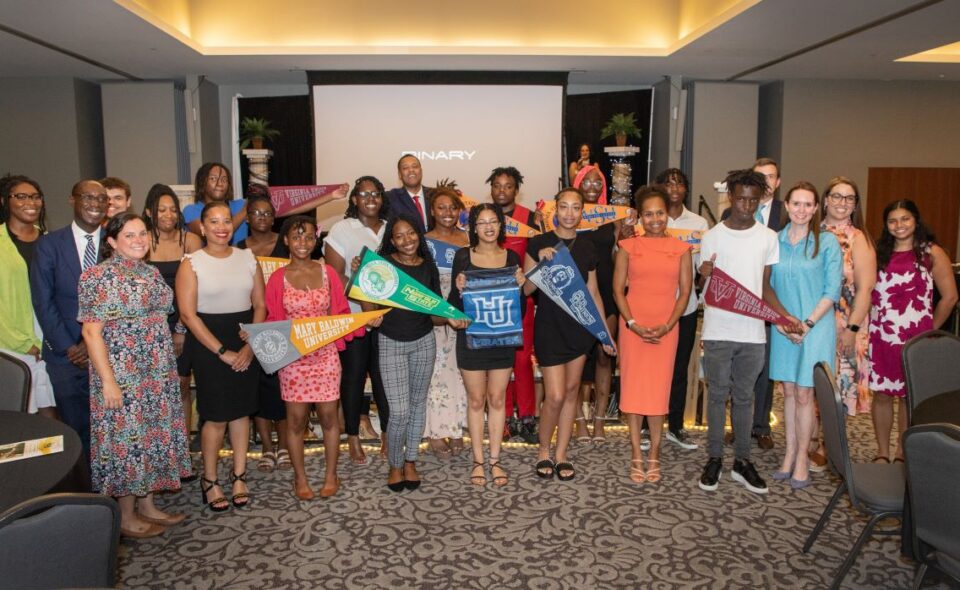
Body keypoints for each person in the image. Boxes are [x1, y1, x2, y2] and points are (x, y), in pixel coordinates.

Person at [80, 212, 190, 538]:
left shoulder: (151, 273)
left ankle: (148, 505)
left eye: (142, 233)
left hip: (155, 372)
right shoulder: (97, 277)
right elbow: (90, 333)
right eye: (129, 235)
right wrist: (109, 382)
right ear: (112, 241)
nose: (139, 240)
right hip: (122, 374)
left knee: (151, 438)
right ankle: (125, 516)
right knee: (128, 443)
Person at [697, 169, 801, 495]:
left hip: (753, 334)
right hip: (717, 329)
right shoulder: (711, 236)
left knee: (745, 398)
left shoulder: (769, 238)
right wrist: (703, 274)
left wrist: (783, 317)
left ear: (761, 200)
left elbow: (765, 287)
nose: (746, 205)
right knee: (717, 396)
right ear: (731, 197)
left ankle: (742, 461)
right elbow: (705, 289)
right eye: (740, 198)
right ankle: (714, 457)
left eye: (753, 200)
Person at [264, 216, 363, 500]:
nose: (303, 243)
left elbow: (342, 313)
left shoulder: (328, 273)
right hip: (293, 360)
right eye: (296, 238)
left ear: (315, 240)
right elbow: (273, 320)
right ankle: (300, 478)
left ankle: (332, 475)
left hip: (326, 356)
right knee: (295, 421)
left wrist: (367, 320)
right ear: (286, 241)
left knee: (330, 418)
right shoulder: (277, 279)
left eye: (308, 237)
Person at [176, 201, 265, 512]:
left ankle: (239, 474)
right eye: (213, 221)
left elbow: (260, 306)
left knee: (241, 412)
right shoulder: (191, 263)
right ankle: (210, 479)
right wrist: (222, 351)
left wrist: (250, 344)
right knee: (214, 417)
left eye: (226, 220)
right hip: (207, 345)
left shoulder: (248, 258)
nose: (221, 226)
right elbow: (188, 315)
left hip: (244, 338)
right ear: (202, 227)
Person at [524, 188, 614, 481]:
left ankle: (561, 454)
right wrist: (541, 264)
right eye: (564, 207)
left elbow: (593, 293)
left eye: (576, 208)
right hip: (549, 328)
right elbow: (526, 290)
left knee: (572, 391)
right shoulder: (538, 242)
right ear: (554, 210)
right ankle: (543, 451)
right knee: (556, 395)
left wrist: (603, 333)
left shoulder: (589, 246)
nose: (569, 213)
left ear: (582, 212)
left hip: (580, 329)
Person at [613, 186, 692, 484]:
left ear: (667, 214)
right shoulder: (628, 246)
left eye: (660, 212)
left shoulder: (682, 249)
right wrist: (632, 323)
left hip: (666, 328)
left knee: (659, 393)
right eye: (649, 214)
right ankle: (636, 453)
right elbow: (617, 290)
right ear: (640, 216)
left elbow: (685, 293)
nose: (655, 219)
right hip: (633, 327)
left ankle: (655, 453)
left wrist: (669, 325)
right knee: (634, 390)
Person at [362, 214, 446, 492]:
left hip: (424, 341)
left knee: (418, 405)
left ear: (418, 235)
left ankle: (411, 461)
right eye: (399, 236)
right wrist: (369, 314)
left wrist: (451, 316)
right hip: (391, 343)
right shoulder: (383, 265)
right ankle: (395, 464)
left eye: (411, 233)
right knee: (398, 412)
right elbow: (368, 301)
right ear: (391, 240)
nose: (406, 240)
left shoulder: (428, 267)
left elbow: (435, 314)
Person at [870, 199, 957, 462]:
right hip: (882, 336)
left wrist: (929, 331)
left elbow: (950, 297)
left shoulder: (932, 253)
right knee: (882, 395)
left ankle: (901, 451)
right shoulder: (878, 253)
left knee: (910, 397)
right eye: (893, 220)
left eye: (905, 219)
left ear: (916, 220)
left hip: (915, 340)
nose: (899, 225)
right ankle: (883, 452)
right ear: (886, 225)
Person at [768, 182, 842, 489]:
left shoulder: (826, 242)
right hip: (782, 326)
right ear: (786, 205)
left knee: (805, 394)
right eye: (796, 204)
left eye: (807, 205)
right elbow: (766, 285)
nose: (801, 210)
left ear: (816, 208)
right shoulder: (774, 241)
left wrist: (807, 325)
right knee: (787, 392)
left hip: (816, 327)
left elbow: (832, 290)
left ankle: (802, 458)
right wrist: (783, 321)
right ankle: (788, 454)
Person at [449, 203, 525, 486]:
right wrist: (458, 290)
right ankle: (478, 460)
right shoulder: (463, 257)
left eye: (494, 221)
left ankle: (495, 460)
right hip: (471, 340)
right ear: (474, 227)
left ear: (501, 225)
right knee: (477, 400)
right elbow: (453, 306)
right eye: (482, 222)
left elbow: (520, 311)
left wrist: (519, 288)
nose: (489, 227)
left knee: (497, 399)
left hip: (502, 341)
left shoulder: (512, 257)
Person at [31, 179, 109, 453]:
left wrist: (91, 343)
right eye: (88, 197)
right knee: (76, 432)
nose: (95, 204)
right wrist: (69, 346)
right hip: (65, 356)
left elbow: (119, 302)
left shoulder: (116, 243)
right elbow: (43, 301)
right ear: (72, 200)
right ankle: (85, 492)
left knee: (112, 428)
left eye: (101, 199)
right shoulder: (49, 245)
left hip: (109, 350)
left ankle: (113, 491)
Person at [721, 157, 788, 450]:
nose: (766, 182)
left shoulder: (788, 213)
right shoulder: (729, 212)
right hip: (738, 302)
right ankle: (737, 425)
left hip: (772, 299)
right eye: (760, 177)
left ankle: (761, 426)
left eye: (771, 177)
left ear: (778, 182)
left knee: (763, 367)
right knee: (738, 368)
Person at [324, 176, 391, 464]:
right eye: (364, 194)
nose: (371, 198)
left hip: (389, 318)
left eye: (376, 193)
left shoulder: (391, 229)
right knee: (352, 379)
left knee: (383, 379)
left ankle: (388, 435)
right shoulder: (342, 228)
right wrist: (361, 289)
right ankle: (352, 437)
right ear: (354, 199)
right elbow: (334, 274)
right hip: (355, 318)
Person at [814, 176, 875, 469]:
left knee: (837, 385)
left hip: (845, 324)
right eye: (836, 196)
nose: (842, 202)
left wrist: (851, 329)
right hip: (813, 322)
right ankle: (810, 439)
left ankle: (828, 445)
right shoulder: (812, 232)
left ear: (855, 205)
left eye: (849, 198)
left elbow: (864, 289)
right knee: (812, 382)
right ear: (825, 200)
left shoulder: (858, 239)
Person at [142, 184, 202, 480]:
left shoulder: (189, 240)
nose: (168, 215)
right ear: (148, 212)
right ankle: (155, 454)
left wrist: (180, 327)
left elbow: (198, 286)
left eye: (172, 209)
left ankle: (181, 455)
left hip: (185, 324)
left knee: (180, 387)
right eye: (161, 209)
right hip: (148, 329)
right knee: (153, 392)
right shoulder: (141, 242)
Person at [655, 168, 709, 450]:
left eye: (679, 183)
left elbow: (703, 269)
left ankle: (675, 426)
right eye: (668, 182)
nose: (674, 187)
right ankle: (644, 424)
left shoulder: (699, 223)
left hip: (685, 308)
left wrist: (706, 272)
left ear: (687, 189)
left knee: (678, 369)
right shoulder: (650, 218)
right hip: (652, 305)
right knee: (652, 368)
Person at [236, 192, 290, 472]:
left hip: (282, 324)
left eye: (268, 213)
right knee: (258, 388)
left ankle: (283, 446)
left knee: (282, 388)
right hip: (251, 323)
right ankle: (267, 448)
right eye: (257, 213)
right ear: (247, 218)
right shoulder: (239, 248)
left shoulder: (287, 242)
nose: (263, 217)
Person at [488, 166, 539, 443]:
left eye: (508, 186)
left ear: (515, 190)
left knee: (521, 360)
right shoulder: (484, 218)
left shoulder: (529, 218)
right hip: (490, 301)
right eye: (497, 185)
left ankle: (528, 417)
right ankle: (504, 418)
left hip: (522, 299)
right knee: (500, 361)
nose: (502, 190)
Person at [0, 174, 56, 418]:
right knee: (21, 411)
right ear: (4, 201)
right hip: (10, 339)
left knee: (52, 406)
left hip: (50, 334)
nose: (30, 202)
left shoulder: (50, 241)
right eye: (20, 196)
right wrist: (21, 341)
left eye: (35, 197)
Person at [571, 165, 616, 442]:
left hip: (608, 293)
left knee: (604, 355)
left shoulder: (613, 217)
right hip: (576, 293)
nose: (591, 186)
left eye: (597, 181)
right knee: (576, 359)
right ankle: (578, 421)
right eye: (585, 181)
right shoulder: (568, 213)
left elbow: (618, 251)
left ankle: (599, 420)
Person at [423, 188, 469, 459]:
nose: (447, 213)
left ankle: (455, 428)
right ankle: (436, 431)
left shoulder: (466, 239)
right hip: (433, 306)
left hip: (461, 304)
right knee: (436, 369)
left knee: (459, 368)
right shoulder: (424, 241)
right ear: (432, 211)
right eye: (441, 208)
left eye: (452, 208)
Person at [386, 155, 430, 232]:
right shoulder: (391, 197)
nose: (411, 170)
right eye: (405, 168)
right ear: (399, 175)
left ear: (421, 171)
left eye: (415, 166)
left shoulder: (435, 195)